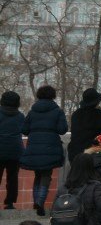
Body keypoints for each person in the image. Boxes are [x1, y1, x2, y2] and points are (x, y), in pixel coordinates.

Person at [21, 86, 68, 216]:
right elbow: (62, 129)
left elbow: (24, 129)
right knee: (46, 175)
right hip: (51, 147)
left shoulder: (32, 111)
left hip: (34, 146)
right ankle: (40, 202)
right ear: (53, 95)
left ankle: (36, 201)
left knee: (38, 174)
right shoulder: (57, 111)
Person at [67, 88, 101, 161]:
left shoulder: (76, 114)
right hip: (93, 154)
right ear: (96, 102)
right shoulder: (100, 116)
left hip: (75, 154)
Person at [0, 92, 24, 210]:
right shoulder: (20, 116)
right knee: (13, 179)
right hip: (15, 150)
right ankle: (9, 203)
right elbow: (24, 130)